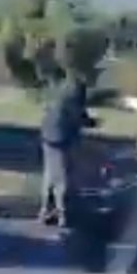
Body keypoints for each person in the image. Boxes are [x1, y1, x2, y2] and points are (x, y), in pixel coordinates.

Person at [38, 75, 97, 227]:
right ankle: (62, 214)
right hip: (60, 138)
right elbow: (78, 116)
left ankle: (47, 211)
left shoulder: (60, 98)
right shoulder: (71, 102)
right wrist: (90, 122)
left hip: (49, 136)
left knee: (51, 176)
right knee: (62, 178)